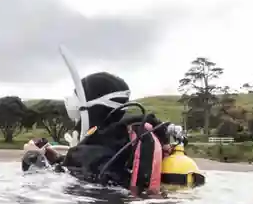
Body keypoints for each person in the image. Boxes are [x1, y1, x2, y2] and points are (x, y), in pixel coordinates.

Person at [24, 70, 185, 193]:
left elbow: (59, 179)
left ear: (89, 109)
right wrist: (53, 157)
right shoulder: (125, 139)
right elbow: (90, 165)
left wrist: (33, 160)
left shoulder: (90, 152)